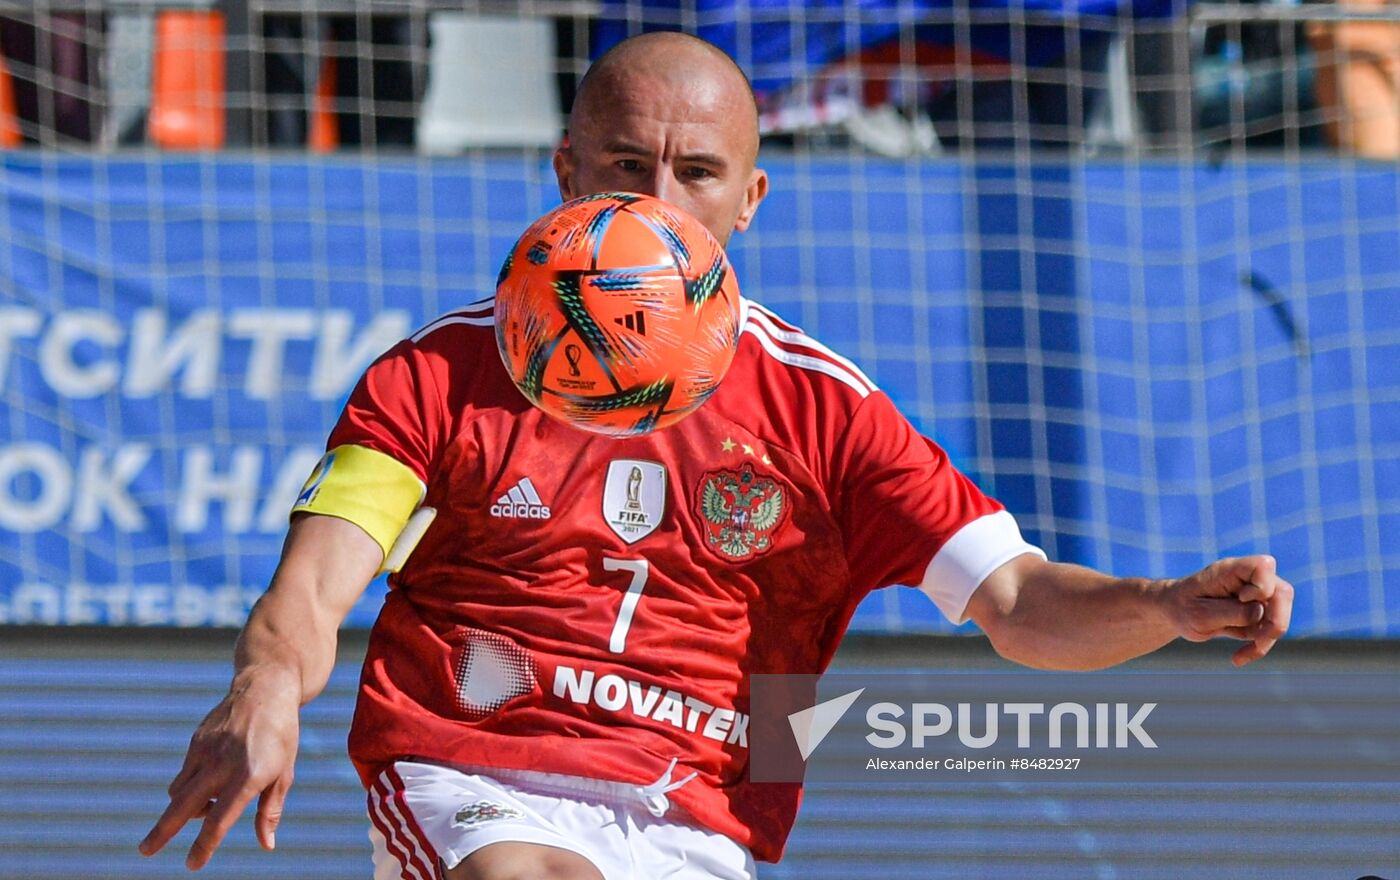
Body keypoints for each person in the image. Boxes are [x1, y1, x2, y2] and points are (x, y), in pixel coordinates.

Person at [138, 30, 1294, 880]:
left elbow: (1018, 599)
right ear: (563, 171)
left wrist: (1164, 604)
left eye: (693, 174)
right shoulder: (435, 375)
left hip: (697, 821)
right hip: (474, 779)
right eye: (622, 164)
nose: (655, 202)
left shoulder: (825, 411)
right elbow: (309, 589)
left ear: (749, 198)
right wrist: (267, 685)